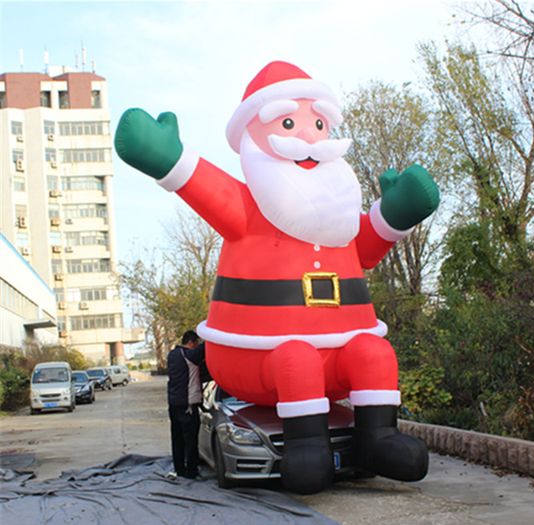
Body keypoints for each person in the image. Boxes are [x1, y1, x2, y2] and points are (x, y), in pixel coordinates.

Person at [116, 61, 438, 494]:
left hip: (341, 350)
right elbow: (200, 183)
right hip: (256, 357)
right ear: (253, 133)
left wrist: (396, 214)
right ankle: (307, 447)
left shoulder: (338, 217)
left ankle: (378, 439)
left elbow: (365, 247)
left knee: (374, 354)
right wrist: (167, 157)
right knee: (296, 358)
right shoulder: (249, 207)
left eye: (318, 123)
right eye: (288, 122)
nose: (308, 136)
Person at [166, 330, 210, 479]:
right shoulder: (189, 355)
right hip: (188, 405)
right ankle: (192, 471)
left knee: (177, 439)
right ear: (191, 343)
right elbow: (206, 346)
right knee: (191, 440)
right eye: (195, 343)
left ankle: (180, 469)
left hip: (173, 404)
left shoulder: (172, 355)